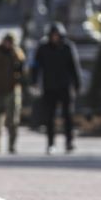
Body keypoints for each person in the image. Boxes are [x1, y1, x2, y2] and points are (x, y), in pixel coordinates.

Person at [31, 22, 83, 154]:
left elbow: (74, 67)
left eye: (57, 35)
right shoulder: (43, 48)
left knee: (68, 116)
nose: (55, 37)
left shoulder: (67, 47)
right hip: (49, 87)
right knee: (49, 117)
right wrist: (34, 80)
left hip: (65, 86)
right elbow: (36, 66)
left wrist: (77, 84)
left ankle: (69, 142)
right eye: (53, 35)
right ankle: (50, 143)